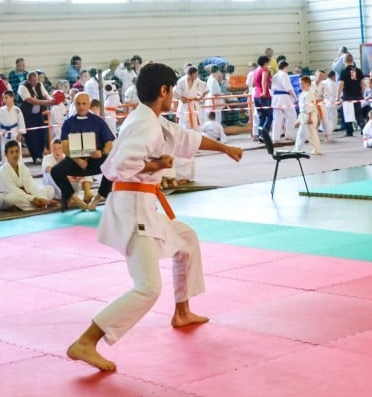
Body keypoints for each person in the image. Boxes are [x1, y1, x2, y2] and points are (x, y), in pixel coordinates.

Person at [64, 62, 243, 372]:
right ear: (164, 90)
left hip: (142, 206)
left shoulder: (150, 120)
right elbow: (119, 166)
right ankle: (86, 341)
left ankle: (182, 310)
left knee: (185, 238)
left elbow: (188, 138)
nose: (173, 95)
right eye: (172, 90)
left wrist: (224, 147)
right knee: (148, 287)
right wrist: (156, 165)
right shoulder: (144, 125)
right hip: (134, 210)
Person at [50, 91, 115, 211]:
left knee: (112, 165)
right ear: (74, 104)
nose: (81, 106)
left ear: (89, 105)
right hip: (76, 160)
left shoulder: (98, 121)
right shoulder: (68, 123)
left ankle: (98, 197)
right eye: (78, 104)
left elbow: (109, 144)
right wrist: (77, 160)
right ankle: (75, 199)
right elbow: (64, 146)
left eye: (84, 104)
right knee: (55, 171)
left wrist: (102, 153)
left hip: (96, 159)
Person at [0, 140, 56, 211]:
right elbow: (13, 190)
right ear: (6, 154)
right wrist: (33, 198)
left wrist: (40, 197)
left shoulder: (22, 167)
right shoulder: (3, 171)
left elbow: (30, 185)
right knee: (12, 198)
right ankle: (38, 204)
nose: (15, 154)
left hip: (25, 196)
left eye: (17, 151)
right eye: (11, 152)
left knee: (50, 189)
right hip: (6, 198)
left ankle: (39, 203)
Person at [18, 71, 52, 164]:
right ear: (28, 80)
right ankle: (35, 157)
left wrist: (51, 100)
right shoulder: (22, 87)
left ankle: (41, 154)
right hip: (27, 116)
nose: (35, 82)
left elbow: (45, 95)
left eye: (36, 80)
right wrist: (45, 102)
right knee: (31, 136)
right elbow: (30, 100)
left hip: (38, 115)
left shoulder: (39, 85)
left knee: (42, 134)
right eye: (32, 80)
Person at [293, 75, 322, 155]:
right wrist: (299, 119)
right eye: (300, 84)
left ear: (307, 84)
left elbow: (310, 106)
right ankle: (297, 148)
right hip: (303, 115)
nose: (300, 85)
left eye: (302, 83)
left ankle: (317, 150)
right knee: (301, 133)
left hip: (309, 115)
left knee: (312, 134)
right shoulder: (303, 94)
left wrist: (309, 118)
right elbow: (302, 108)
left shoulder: (310, 94)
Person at [338, 53, 365, 136]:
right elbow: (363, 84)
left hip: (348, 96)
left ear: (344, 61)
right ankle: (363, 129)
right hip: (357, 95)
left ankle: (349, 132)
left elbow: (341, 84)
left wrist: (338, 96)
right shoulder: (357, 70)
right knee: (358, 113)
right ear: (352, 60)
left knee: (348, 113)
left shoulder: (343, 72)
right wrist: (362, 94)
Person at [0, 90, 27, 159]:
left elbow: (21, 122)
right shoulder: (1, 110)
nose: (4, 100)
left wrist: (20, 134)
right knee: (4, 153)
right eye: (3, 98)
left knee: (16, 153)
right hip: (4, 134)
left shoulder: (17, 110)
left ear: (12, 98)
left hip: (14, 135)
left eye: (6, 98)